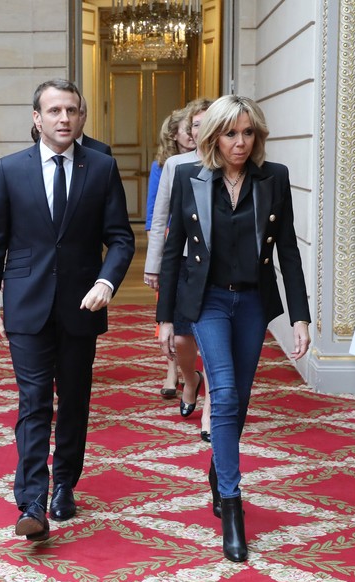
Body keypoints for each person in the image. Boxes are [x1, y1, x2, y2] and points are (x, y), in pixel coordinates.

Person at [0, 79, 135, 542]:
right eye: (54, 111)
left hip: (81, 305)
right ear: (37, 118)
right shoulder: (10, 169)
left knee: (74, 401)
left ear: (82, 117)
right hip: (25, 306)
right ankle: (31, 501)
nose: (64, 118)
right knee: (33, 404)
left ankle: (65, 481)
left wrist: (106, 281)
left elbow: (121, 237)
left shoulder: (101, 168)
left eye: (72, 110)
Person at [156, 95, 311, 562]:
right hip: (207, 301)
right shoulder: (189, 177)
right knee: (222, 392)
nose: (239, 143)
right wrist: (165, 317)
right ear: (212, 137)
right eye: (230, 133)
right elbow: (172, 251)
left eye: (247, 133)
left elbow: (287, 251)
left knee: (239, 397)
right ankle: (232, 502)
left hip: (252, 302)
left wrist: (300, 316)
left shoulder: (274, 178)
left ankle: (218, 465)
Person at [144, 98, 212, 428]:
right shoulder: (176, 165)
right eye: (195, 124)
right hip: (184, 261)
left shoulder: (232, 162)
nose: (201, 129)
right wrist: (153, 266)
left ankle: (212, 408)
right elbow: (160, 220)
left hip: (220, 266)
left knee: (217, 339)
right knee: (181, 339)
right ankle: (190, 377)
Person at [146, 107, 195, 398]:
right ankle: (171, 370)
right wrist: (157, 258)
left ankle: (190, 374)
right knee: (168, 312)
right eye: (187, 129)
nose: (191, 134)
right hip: (171, 245)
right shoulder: (163, 166)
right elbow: (154, 212)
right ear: (174, 135)